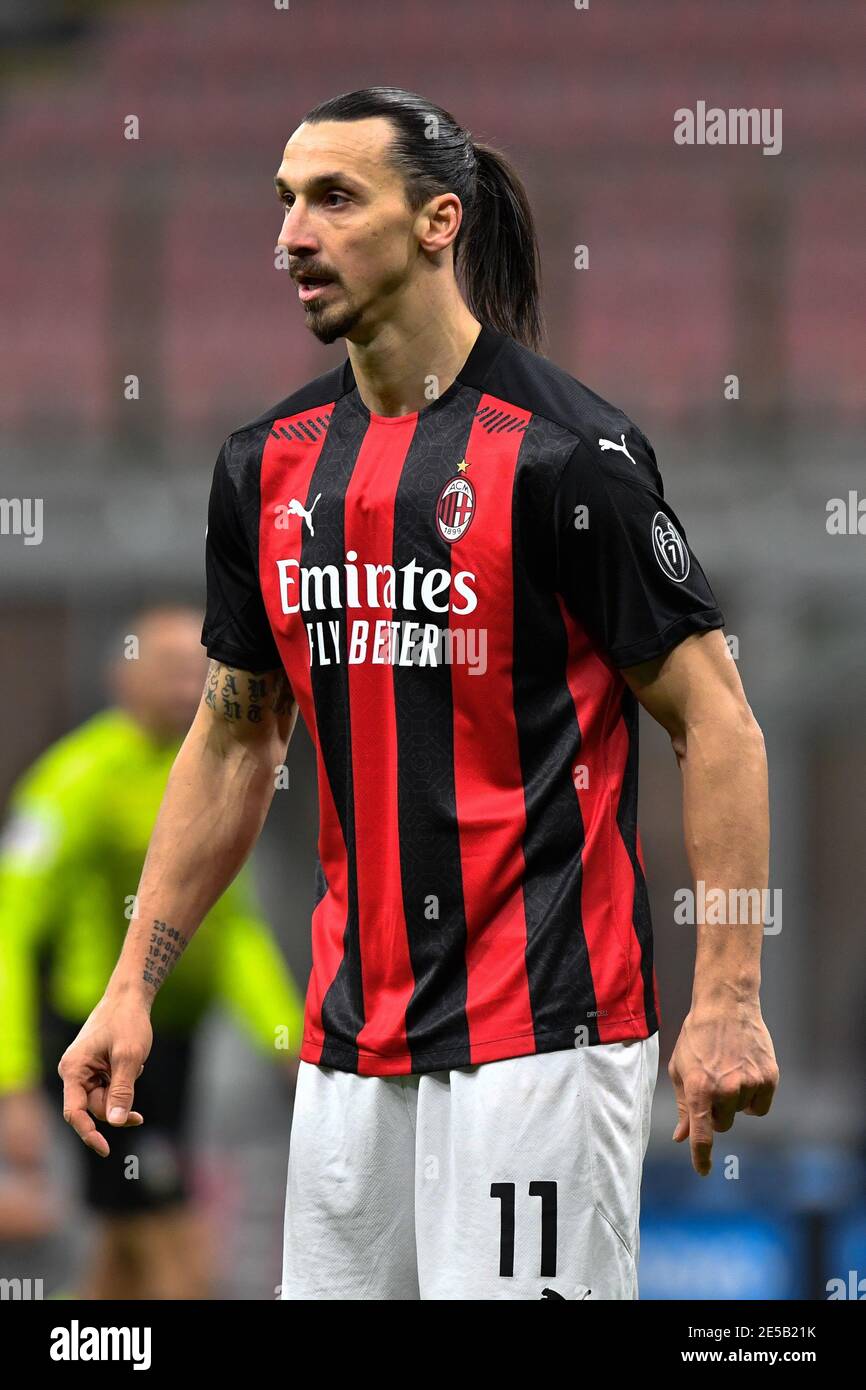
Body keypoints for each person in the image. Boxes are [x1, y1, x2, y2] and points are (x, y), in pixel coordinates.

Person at [58, 88, 779, 1301]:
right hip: (349, 1047)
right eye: (285, 201)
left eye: (334, 199)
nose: (292, 235)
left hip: (542, 1034)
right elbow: (236, 741)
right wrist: (131, 983)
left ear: (439, 221)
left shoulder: (569, 459)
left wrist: (726, 999)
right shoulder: (266, 466)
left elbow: (716, 722)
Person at [0, 603, 305, 1298]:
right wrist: (11, 1079)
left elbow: (234, 932)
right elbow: (9, 927)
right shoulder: (76, 779)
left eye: (198, 669)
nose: (186, 684)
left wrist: (286, 1037)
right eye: (167, 667)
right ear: (122, 676)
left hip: (178, 1041)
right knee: (172, 1237)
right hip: (99, 1048)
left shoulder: (213, 778)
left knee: (122, 1246)